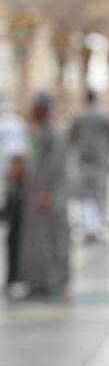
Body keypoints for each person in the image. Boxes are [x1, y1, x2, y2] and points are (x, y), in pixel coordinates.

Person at [17, 92, 70, 298]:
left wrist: (45, 191)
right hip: (37, 194)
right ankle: (37, 283)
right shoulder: (40, 131)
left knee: (51, 240)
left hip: (49, 195)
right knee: (36, 242)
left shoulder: (55, 133)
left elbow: (54, 165)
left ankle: (54, 281)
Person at [68, 89, 109, 241]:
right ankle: (99, 225)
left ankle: (90, 228)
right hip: (101, 162)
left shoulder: (78, 118)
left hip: (84, 161)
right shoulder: (103, 117)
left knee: (87, 196)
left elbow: (71, 138)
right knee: (100, 194)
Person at [0, 94, 29, 292]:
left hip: (9, 188)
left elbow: (16, 158)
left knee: (14, 234)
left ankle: (14, 278)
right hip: (8, 187)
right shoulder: (12, 123)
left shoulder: (10, 124)